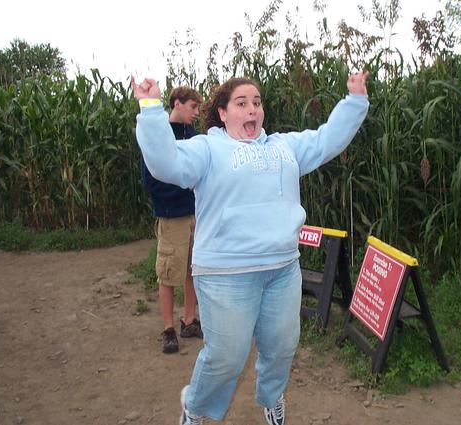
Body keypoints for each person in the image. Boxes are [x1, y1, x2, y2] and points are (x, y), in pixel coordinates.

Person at [133, 70, 369, 425]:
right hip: (226, 273)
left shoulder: (283, 147)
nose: (252, 109)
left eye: (256, 103)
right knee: (226, 358)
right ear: (223, 113)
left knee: (282, 347)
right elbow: (166, 164)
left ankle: (272, 398)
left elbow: (326, 140)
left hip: (282, 269)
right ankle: (194, 408)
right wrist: (151, 107)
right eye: (241, 103)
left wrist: (355, 101)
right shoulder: (207, 149)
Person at [140, 86, 204, 354]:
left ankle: (189, 321)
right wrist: (186, 187)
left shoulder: (195, 137)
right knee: (168, 274)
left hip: (196, 216)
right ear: (177, 103)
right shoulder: (159, 135)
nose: (196, 113)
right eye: (193, 107)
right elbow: (151, 181)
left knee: (194, 271)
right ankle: (168, 330)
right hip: (171, 217)